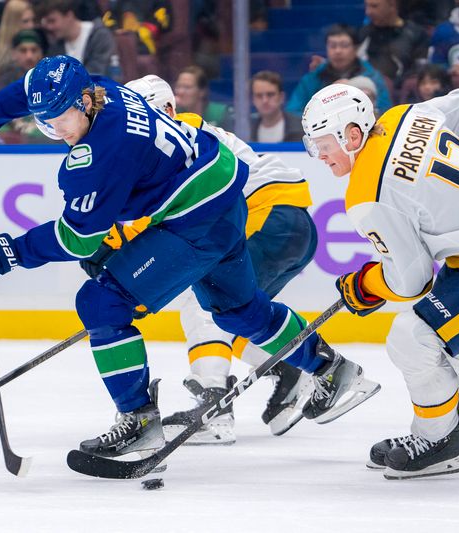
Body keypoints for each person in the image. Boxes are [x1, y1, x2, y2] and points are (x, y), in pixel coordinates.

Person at [0, 55, 380, 460]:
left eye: (63, 118)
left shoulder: (100, 154)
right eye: (46, 123)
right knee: (240, 312)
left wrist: (9, 252)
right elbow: (30, 89)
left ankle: (139, 421)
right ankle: (333, 370)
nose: (58, 131)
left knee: (101, 304)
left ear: (85, 102)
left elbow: (79, 240)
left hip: (195, 221)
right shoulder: (103, 89)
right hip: (223, 199)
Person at [300, 83, 459, 479]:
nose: (319, 156)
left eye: (322, 145)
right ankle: (450, 418)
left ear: (352, 135)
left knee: (412, 337)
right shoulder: (404, 116)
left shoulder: (368, 194)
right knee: (437, 330)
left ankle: (439, 440)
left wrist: (367, 286)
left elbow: (409, 283)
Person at [113, 74, 322, 443]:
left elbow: (162, 216)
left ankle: (214, 403)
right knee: (231, 312)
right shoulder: (169, 145)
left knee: (204, 297)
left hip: (268, 215)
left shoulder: (183, 130)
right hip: (289, 224)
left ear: (166, 109)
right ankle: (289, 369)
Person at [287, 25, 391, 114]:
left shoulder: (373, 77)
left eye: (344, 45)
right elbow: (294, 112)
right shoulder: (312, 78)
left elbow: (384, 111)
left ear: (355, 49)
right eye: (332, 46)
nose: (338, 51)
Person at [357, 0, 430, 85]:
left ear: (392, 5)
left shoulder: (416, 34)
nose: (368, 12)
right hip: (367, 88)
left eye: (374, 6)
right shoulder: (363, 33)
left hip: (402, 91)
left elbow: (420, 69)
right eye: (366, 6)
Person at [39, 0, 116, 76]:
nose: (49, 27)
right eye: (47, 23)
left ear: (69, 15)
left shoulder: (99, 36)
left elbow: (99, 72)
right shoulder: (56, 46)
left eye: (52, 21)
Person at [249, 70, 304, 143]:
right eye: (259, 95)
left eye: (270, 94)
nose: (265, 100)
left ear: (281, 97)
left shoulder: (302, 128)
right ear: (253, 99)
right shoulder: (246, 131)